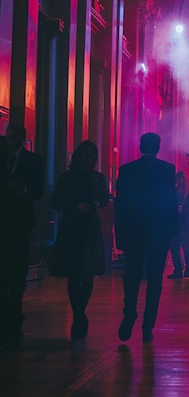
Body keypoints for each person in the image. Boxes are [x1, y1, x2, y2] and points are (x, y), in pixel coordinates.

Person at [114, 132, 178, 342]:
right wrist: (172, 232)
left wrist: (120, 233)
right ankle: (148, 324)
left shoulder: (126, 170)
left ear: (140, 145)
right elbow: (170, 203)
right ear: (158, 147)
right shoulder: (167, 170)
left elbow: (120, 204)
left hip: (133, 231)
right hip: (158, 232)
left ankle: (129, 313)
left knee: (131, 275)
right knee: (154, 279)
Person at [49, 140, 109, 340]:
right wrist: (76, 206)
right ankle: (79, 314)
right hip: (74, 228)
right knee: (76, 274)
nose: (89, 160)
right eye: (86, 157)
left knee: (87, 273)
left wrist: (94, 204)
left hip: (87, 228)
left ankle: (79, 314)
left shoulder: (96, 178)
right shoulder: (70, 178)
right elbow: (55, 201)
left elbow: (105, 199)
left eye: (91, 157)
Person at [0, 123, 44, 350]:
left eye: (16, 139)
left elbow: (38, 191)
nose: (12, 142)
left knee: (16, 272)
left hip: (20, 223)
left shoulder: (33, 161)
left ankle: (13, 316)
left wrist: (23, 189)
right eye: (9, 138)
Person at [168, 171, 189, 279]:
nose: (179, 182)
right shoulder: (173, 191)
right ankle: (178, 270)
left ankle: (188, 268)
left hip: (186, 223)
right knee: (175, 247)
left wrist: (183, 209)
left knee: (186, 246)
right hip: (176, 222)